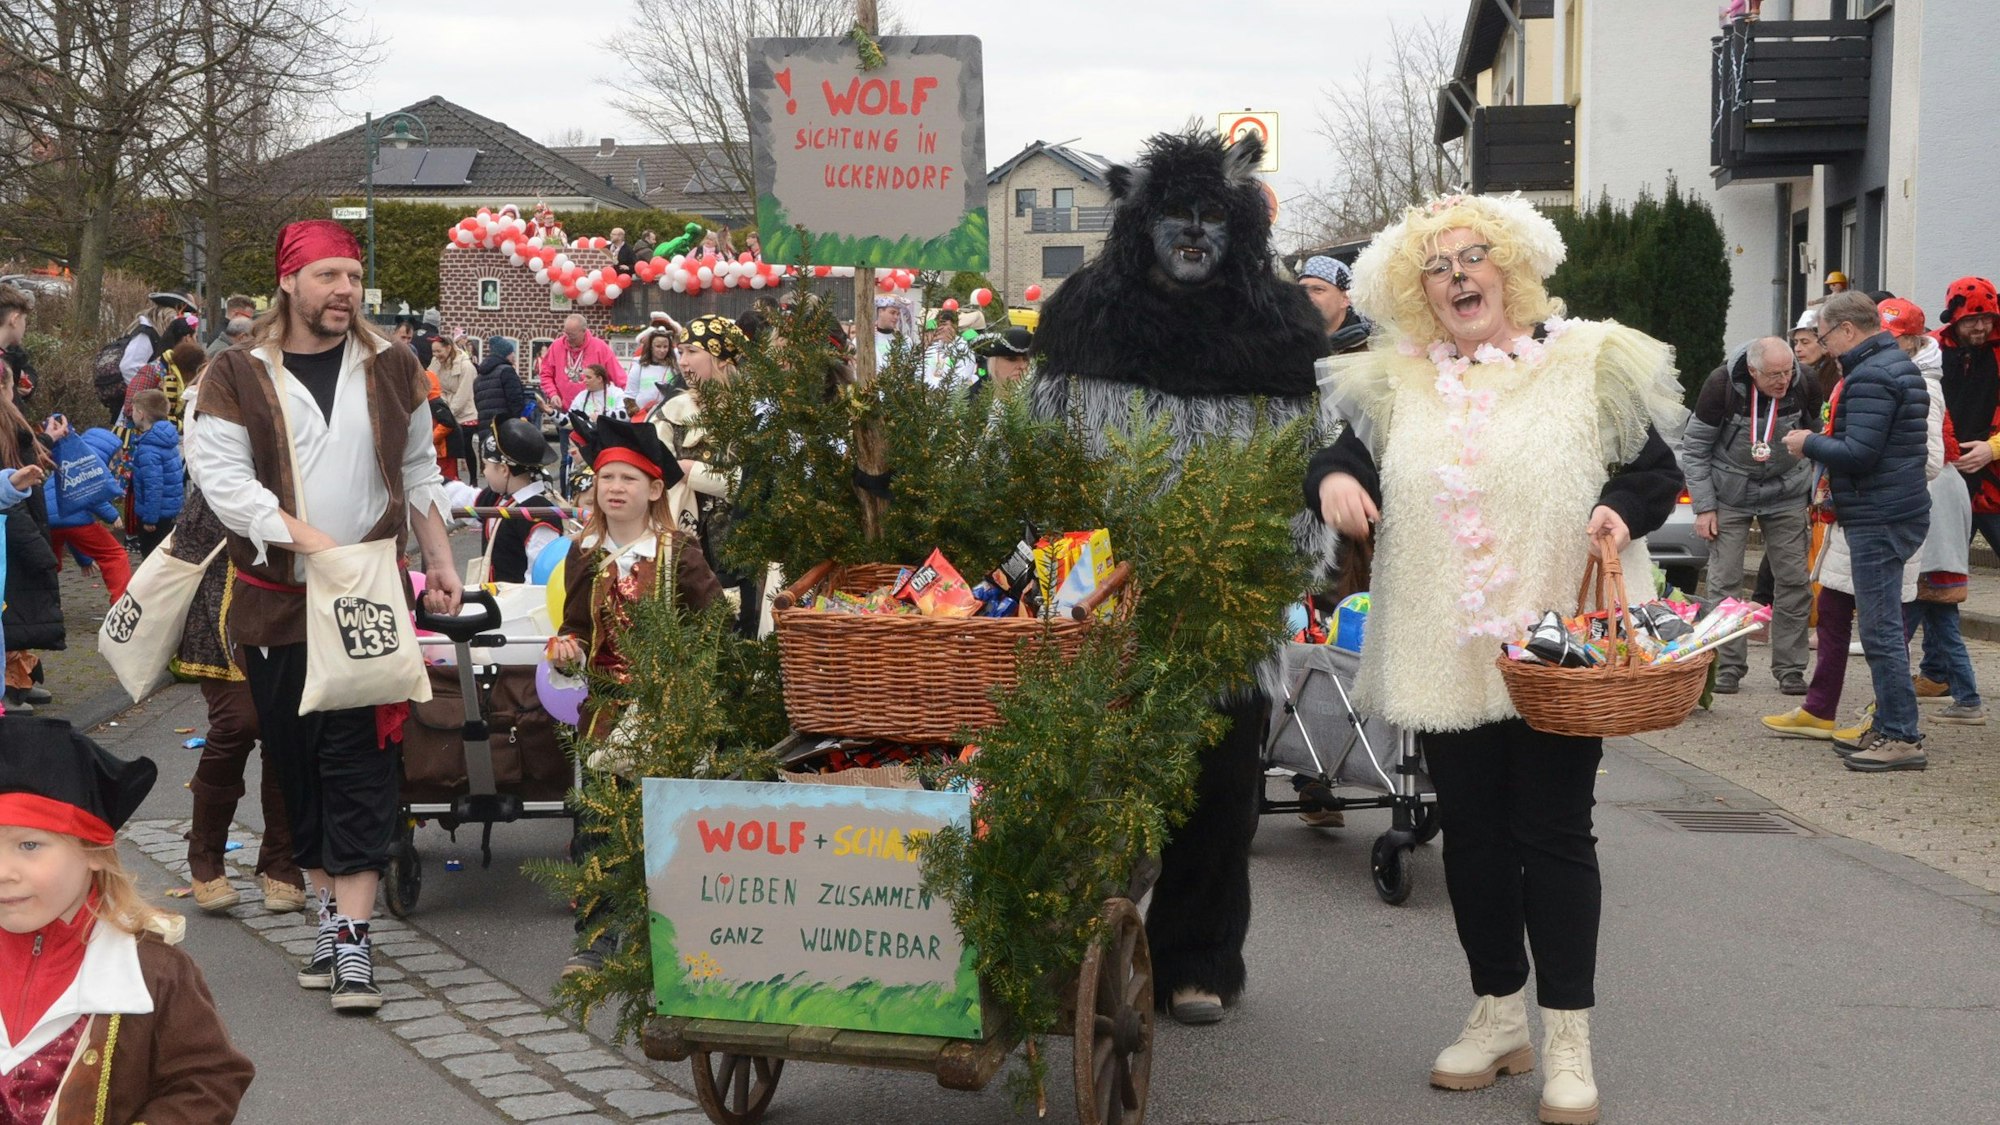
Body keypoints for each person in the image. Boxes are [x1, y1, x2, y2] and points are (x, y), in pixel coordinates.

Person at [1311, 192, 1686, 1125]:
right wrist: (1341, 483)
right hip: (1445, 644)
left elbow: (1654, 472)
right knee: (1472, 835)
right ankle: (1496, 1014)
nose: (1456, 278)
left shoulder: (1586, 360)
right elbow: (1334, 459)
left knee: (1553, 834)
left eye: (1472, 257)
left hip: (1556, 647)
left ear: (1510, 267)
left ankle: (1568, 1038)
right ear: (1418, 288)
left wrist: (1619, 511)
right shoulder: (1399, 380)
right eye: (1436, 268)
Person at [1032, 130, 1334, 1031]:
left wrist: (1276, 563)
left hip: (1227, 603)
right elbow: (1045, 457)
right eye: (1176, 220)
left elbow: (1304, 464)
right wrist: (1062, 570)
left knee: (1219, 783)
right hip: (1104, 598)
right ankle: (1082, 952)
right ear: (1143, 226)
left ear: (1237, 228)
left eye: (1211, 220)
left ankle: (1196, 957)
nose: (1194, 235)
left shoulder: (1279, 325)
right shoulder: (1085, 311)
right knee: (1087, 782)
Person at [185, 218, 459, 1013]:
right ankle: (328, 918)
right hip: (279, 608)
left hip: (368, 596)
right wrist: (317, 546)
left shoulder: (392, 364)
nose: (345, 290)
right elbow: (230, 488)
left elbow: (417, 472)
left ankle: (354, 943)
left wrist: (439, 562)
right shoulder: (236, 374)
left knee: (362, 763)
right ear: (290, 282)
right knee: (296, 765)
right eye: (328, 275)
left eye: (352, 275)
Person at [0, 717, 256, 1119]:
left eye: (29, 845)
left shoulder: (155, 972)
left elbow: (209, 1079)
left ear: (93, 852)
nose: (3, 871)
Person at [545, 417, 721, 974]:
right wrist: (565, 647)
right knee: (599, 826)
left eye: (628, 477)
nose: (615, 487)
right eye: (606, 478)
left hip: (666, 710)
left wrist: (690, 684)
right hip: (603, 717)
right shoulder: (584, 553)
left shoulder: (679, 554)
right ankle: (596, 938)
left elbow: (713, 627)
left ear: (653, 489)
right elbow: (575, 623)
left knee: (665, 826)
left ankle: (673, 936)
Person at [1780, 289, 1933, 772]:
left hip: (1878, 514)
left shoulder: (1871, 375)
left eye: (1825, 337)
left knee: (1881, 631)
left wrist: (1810, 443)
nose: (1824, 348)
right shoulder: (1895, 365)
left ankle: (1900, 736)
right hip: (1894, 509)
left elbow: (1860, 453)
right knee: (1882, 627)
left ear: (1848, 330)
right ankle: (1890, 725)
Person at [169, 483, 306, 916]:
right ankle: (205, 855)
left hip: (291, 609)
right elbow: (191, 536)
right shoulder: (220, 446)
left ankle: (280, 861)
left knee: (286, 731)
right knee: (238, 723)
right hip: (221, 611)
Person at [1679, 336, 1821, 694]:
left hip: (1787, 490)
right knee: (1724, 581)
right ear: (1752, 370)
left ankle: (1790, 668)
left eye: (1788, 372)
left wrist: (1818, 491)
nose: (1783, 382)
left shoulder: (1805, 382)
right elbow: (1695, 449)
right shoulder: (1720, 386)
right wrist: (1704, 507)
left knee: (1793, 581)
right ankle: (1728, 666)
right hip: (1729, 493)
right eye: (1774, 375)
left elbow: (1819, 436)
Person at [1881, 300, 1985, 725]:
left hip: (1932, 503)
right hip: (1935, 501)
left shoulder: (1919, 383)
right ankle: (1965, 697)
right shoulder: (1916, 375)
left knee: (1904, 619)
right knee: (1936, 617)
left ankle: (1889, 706)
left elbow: (1927, 457)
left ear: (1909, 340)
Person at [656, 314, 757, 633]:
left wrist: (691, 471)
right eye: (680, 352)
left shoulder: (753, 410)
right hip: (683, 545)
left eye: (691, 352)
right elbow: (655, 467)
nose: (682, 361)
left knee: (733, 635)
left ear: (721, 357)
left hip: (738, 549)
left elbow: (754, 481)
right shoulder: (673, 410)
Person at [1, 287, 60, 715]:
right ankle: (11, 682)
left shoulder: (14, 367)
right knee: (15, 593)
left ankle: (23, 672)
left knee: (22, 594)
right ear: (12, 317)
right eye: (23, 317)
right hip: (13, 507)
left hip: (18, 493)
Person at [441, 420, 564, 585]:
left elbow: (540, 575)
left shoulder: (538, 514)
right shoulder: (498, 497)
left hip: (517, 605)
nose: (484, 471)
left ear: (504, 470)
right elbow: (463, 497)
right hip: (496, 601)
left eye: (485, 466)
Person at [1932, 276, 2000, 558]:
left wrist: (1993, 449)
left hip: (1994, 479)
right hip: (1944, 475)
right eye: (1973, 320)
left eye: (1988, 318)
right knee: (1940, 572)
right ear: (1954, 318)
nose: (1982, 327)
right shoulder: (1931, 350)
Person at [41, 417, 131, 605]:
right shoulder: (88, 465)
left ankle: (42, 603)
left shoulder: (65, 461)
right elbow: (88, 495)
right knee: (115, 555)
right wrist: (112, 515)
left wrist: (84, 560)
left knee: (49, 563)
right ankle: (120, 603)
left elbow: (70, 530)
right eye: (117, 458)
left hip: (48, 520)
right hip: (75, 520)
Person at [127, 388, 184, 558]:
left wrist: (150, 518)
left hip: (155, 516)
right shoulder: (166, 439)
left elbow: (154, 485)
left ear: (141, 413)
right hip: (169, 511)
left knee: (151, 557)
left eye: (133, 411)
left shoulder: (148, 448)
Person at [539, 314, 627, 410]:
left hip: (593, 411)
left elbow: (620, 377)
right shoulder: (556, 346)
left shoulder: (600, 347)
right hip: (563, 410)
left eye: (572, 335)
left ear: (584, 331)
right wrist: (553, 394)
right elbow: (545, 374)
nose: (568, 338)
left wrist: (630, 400)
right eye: (566, 333)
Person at [1298, 254, 1369, 354]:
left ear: (1345, 299)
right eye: (1302, 291)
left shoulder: (1374, 348)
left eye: (1318, 289)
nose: (1307, 298)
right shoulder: (1292, 350)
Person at [432, 333, 480, 479]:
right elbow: (432, 382)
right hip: (447, 409)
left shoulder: (466, 365)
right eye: (433, 351)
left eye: (438, 351)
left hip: (465, 413)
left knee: (465, 446)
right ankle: (453, 478)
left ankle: (473, 480)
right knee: (449, 449)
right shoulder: (437, 362)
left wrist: (448, 413)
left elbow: (464, 393)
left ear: (448, 348)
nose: (436, 355)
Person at [627, 315, 682, 417]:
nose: (662, 350)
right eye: (658, 346)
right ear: (650, 347)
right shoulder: (639, 366)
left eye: (665, 347)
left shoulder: (675, 366)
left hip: (667, 414)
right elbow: (630, 394)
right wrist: (634, 411)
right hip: (642, 416)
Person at [475, 335, 526, 427]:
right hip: (506, 428)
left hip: (485, 429)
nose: (514, 356)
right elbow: (516, 401)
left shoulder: (479, 377)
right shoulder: (507, 371)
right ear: (505, 354)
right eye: (512, 352)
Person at [1791, 308, 1841, 399]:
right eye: (1795, 343)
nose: (1797, 349)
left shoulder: (1837, 374)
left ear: (1824, 343)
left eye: (1805, 342)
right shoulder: (1793, 376)